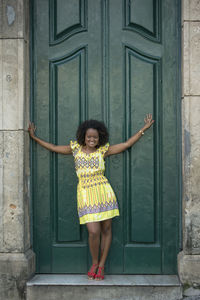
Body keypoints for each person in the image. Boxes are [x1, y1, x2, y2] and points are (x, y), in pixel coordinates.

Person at [28, 113, 154, 280]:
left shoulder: (103, 151)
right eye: (89, 137)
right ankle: (94, 262)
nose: (92, 139)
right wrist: (34, 137)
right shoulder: (75, 149)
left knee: (106, 230)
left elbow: (126, 144)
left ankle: (101, 266)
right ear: (84, 136)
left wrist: (143, 129)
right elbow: (53, 147)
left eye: (95, 137)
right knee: (93, 231)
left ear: (99, 137)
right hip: (86, 194)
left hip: (104, 193)